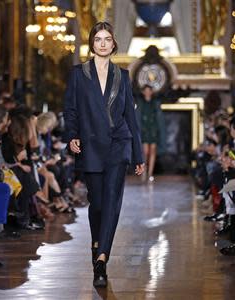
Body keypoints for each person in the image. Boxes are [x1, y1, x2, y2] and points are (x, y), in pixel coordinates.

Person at [63, 21, 145, 287]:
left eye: (107, 39)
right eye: (97, 39)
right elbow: (71, 109)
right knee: (96, 203)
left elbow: (130, 116)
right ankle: (96, 243)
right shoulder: (79, 73)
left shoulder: (122, 75)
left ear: (113, 43)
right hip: (90, 144)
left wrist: (137, 155)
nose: (102, 43)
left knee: (111, 201)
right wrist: (72, 136)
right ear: (92, 43)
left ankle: (101, 258)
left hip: (118, 144)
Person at [136, 85, 164, 182]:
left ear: (152, 92)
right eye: (146, 90)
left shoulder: (156, 103)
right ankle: (144, 171)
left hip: (153, 130)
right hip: (144, 129)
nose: (147, 92)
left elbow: (159, 118)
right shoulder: (140, 103)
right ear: (143, 92)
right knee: (145, 152)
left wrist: (159, 130)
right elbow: (138, 118)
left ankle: (150, 174)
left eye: (149, 90)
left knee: (152, 151)